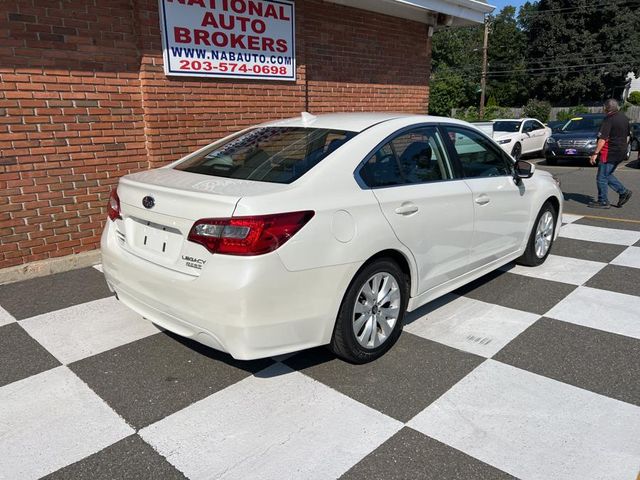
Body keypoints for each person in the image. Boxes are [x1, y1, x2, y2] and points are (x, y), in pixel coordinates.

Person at [588, 99, 632, 209]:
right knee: (607, 175)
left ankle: (603, 201)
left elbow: (602, 139)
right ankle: (623, 192)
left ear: (607, 108)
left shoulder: (609, 119)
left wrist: (595, 153)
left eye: (603, 107)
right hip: (621, 152)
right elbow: (627, 136)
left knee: (601, 177)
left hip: (609, 152)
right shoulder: (624, 118)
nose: (603, 108)